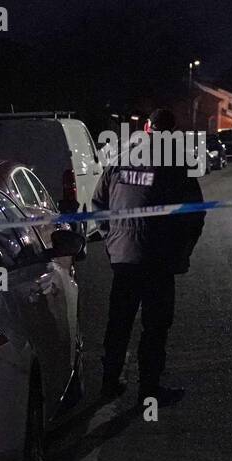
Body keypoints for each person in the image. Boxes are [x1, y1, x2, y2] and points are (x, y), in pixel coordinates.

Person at [92, 108, 205, 405]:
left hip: (124, 258)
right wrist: (182, 252)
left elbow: (98, 204)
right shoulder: (177, 165)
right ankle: (149, 390)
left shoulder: (119, 158)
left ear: (146, 127)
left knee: (119, 322)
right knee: (155, 327)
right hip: (158, 260)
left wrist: (111, 239)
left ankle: (109, 383)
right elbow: (194, 215)